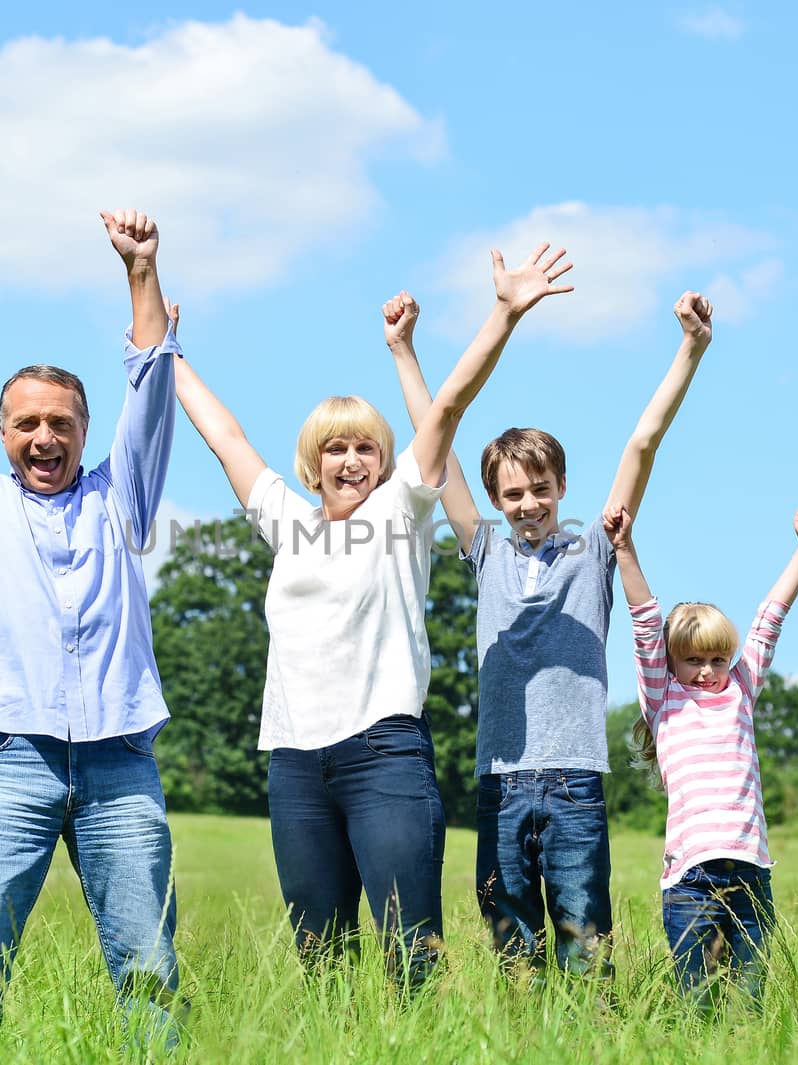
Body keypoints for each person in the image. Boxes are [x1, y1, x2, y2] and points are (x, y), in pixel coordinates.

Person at [170, 244, 574, 984]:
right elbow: (223, 435)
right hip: (294, 762)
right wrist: (165, 353)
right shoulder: (285, 521)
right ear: (312, 460)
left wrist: (504, 313)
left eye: (366, 447)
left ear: (387, 462)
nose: (350, 459)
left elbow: (449, 403)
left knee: (410, 957)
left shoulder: (400, 510)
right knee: (319, 958)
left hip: (383, 753)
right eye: (335, 448)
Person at [0, 210, 183, 1041]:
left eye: (62, 422)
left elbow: (153, 382)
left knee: (149, 973)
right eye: (28, 423)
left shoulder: (122, 495)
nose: (45, 436)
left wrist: (140, 270)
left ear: (86, 431)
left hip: (121, 763)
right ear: (3, 434)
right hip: (8, 760)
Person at [385, 290, 715, 974]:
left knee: (586, 942)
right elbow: (433, 444)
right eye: (512, 494)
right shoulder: (487, 554)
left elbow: (642, 443)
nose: (528, 503)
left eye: (539, 488)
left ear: (561, 484)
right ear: (497, 503)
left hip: (574, 781)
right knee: (513, 948)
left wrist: (690, 347)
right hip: (499, 782)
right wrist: (404, 351)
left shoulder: (593, 551)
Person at [606, 501, 798, 1008]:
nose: (707, 670)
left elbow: (771, 618)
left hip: (751, 871)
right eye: (693, 659)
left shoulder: (741, 689)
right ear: (672, 660)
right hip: (691, 879)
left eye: (717, 659)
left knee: (748, 1003)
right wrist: (624, 548)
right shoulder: (664, 698)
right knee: (699, 1004)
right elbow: (644, 621)